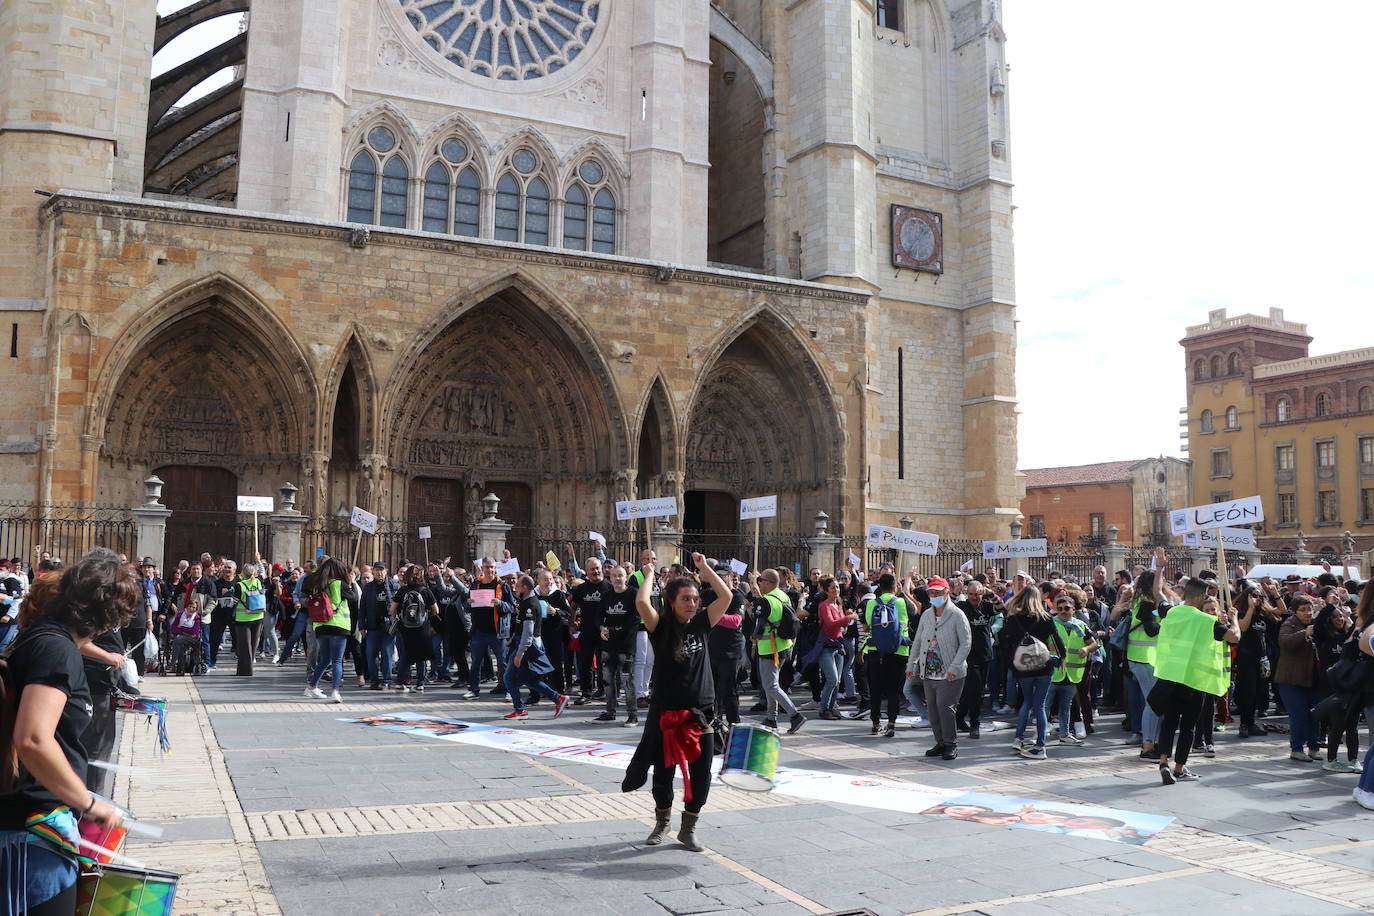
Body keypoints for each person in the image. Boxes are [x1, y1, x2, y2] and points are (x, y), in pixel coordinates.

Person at [0, 549, 130, 915]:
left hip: (27, 822)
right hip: (32, 830)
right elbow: (33, 739)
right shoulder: (56, 650)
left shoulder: (40, 638)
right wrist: (88, 803)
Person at [622, 554, 732, 852]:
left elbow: (727, 595)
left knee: (701, 773)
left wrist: (705, 568)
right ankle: (662, 823)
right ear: (672, 601)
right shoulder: (661, 627)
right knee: (663, 772)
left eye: (695, 598)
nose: (692, 603)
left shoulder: (703, 622)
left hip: (702, 714)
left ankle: (689, 828)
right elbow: (643, 604)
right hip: (668, 712)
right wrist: (647, 573)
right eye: (686, 598)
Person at [1150, 578, 1240, 784]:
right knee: (1188, 726)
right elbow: (1234, 637)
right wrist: (1233, 619)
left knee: (1169, 722)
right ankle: (1180, 768)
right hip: (1194, 680)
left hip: (1171, 677)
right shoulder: (1207, 621)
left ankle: (1164, 762)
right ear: (1200, 596)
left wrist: (1160, 568)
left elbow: (1158, 594)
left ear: (1184, 595)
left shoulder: (1172, 612)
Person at [908, 577, 970, 760]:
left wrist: (955, 666)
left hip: (950, 672)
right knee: (933, 710)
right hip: (929, 671)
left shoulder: (957, 615)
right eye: (931, 592)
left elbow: (966, 643)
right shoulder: (927, 615)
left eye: (938, 592)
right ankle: (940, 742)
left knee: (945, 707)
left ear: (946, 593)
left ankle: (951, 743)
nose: (934, 595)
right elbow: (918, 641)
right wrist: (911, 664)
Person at [1004, 584, 1066, 760]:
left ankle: (1018, 738)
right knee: (1040, 705)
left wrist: (1011, 663)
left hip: (1023, 666)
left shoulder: (1014, 618)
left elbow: (1005, 641)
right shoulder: (1046, 618)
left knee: (1027, 702)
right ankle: (1040, 744)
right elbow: (1058, 641)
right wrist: (1062, 658)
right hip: (1043, 665)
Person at [500, 575, 569, 720]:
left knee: (508, 678)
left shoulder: (530, 604)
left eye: (518, 586)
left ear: (524, 588)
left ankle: (519, 709)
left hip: (527, 647)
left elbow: (528, 632)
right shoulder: (524, 602)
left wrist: (519, 653)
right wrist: (512, 639)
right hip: (520, 643)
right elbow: (520, 626)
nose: (516, 588)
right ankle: (558, 698)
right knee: (528, 679)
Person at [749, 568, 805, 734]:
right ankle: (771, 718)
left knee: (771, 685)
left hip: (769, 648)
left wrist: (754, 640)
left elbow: (758, 619)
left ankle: (795, 715)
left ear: (768, 582)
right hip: (783, 646)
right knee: (770, 684)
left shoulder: (767, 601)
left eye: (761, 580)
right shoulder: (782, 596)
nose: (759, 583)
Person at [1275, 595, 1325, 762]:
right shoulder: (1289, 624)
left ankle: (1314, 747)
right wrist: (1304, 633)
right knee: (1299, 715)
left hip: (1312, 679)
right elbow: (1285, 642)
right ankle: (1296, 748)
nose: (1307, 613)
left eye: (1309, 609)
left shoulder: (1316, 624)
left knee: (1314, 714)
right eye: (1303, 610)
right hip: (1291, 680)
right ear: (1295, 612)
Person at [861, 573, 912, 737]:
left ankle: (876, 723)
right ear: (894, 586)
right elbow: (908, 619)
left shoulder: (871, 603)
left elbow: (868, 626)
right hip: (898, 650)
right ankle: (891, 723)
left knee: (875, 688)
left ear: (879, 587)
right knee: (893, 689)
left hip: (875, 650)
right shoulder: (900, 602)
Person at [1047, 592, 1097, 746]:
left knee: (1067, 705)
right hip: (1054, 672)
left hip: (1073, 672)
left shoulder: (1080, 626)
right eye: (1060, 608)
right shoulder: (1051, 624)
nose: (1063, 611)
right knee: (1046, 705)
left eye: (1066, 608)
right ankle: (1041, 732)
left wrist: (1087, 649)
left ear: (1073, 610)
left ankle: (1067, 731)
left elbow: (1094, 643)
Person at [303, 557, 352, 703]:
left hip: (321, 626)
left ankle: (311, 687)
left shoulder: (318, 585)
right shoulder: (340, 584)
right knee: (336, 660)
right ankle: (335, 691)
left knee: (324, 659)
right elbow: (354, 598)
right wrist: (351, 583)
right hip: (338, 625)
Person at [594, 565, 639, 725]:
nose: (617, 579)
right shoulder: (606, 596)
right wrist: (602, 629)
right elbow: (598, 616)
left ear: (626, 576)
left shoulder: (633, 594)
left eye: (620, 575)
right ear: (610, 578)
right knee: (607, 679)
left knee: (627, 680)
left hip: (626, 646)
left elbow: (634, 619)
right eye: (614, 576)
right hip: (608, 645)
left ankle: (632, 714)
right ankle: (610, 711)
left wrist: (612, 630)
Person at [464, 558, 512, 700]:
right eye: (486, 567)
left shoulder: (502, 585)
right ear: (482, 568)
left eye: (492, 567)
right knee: (476, 662)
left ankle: (509, 689)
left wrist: (500, 603)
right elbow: (467, 608)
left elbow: (512, 607)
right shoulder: (476, 584)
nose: (489, 570)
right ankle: (473, 689)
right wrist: (469, 603)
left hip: (497, 631)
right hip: (479, 631)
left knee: (502, 662)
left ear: (495, 568)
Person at [955, 580, 996, 738]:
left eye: (977, 594)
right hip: (968, 654)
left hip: (985, 653)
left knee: (973, 691)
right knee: (975, 690)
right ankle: (975, 723)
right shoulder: (963, 606)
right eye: (971, 594)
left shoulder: (986, 605)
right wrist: (956, 592)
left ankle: (958, 718)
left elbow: (1000, 608)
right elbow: (948, 608)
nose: (974, 598)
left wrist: (991, 593)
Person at [392, 565, 438, 692]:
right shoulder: (425, 591)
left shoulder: (402, 591)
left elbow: (392, 609)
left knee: (405, 655)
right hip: (422, 627)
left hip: (405, 627)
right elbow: (436, 610)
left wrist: (399, 616)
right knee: (421, 656)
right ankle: (420, 683)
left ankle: (400, 683)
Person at [568, 555, 608, 704]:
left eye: (597, 568)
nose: (596, 571)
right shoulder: (582, 588)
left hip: (604, 633)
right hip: (587, 631)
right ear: (587, 571)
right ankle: (586, 693)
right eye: (592, 569)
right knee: (585, 664)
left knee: (604, 663)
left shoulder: (608, 586)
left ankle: (603, 691)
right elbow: (573, 607)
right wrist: (571, 624)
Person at [816, 576, 855, 720]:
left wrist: (847, 618)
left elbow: (842, 626)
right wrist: (848, 618)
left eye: (837, 587)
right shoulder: (824, 606)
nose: (836, 590)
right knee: (832, 679)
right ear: (826, 591)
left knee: (837, 681)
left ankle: (831, 707)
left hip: (838, 645)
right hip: (825, 646)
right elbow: (831, 623)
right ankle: (824, 708)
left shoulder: (838, 605)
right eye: (832, 587)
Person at [358, 561, 398, 690]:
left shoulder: (393, 585)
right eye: (377, 570)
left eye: (382, 570)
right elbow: (362, 608)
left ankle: (387, 680)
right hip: (372, 626)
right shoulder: (368, 587)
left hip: (389, 627)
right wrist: (362, 626)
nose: (379, 572)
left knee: (387, 654)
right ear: (373, 571)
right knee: (371, 655)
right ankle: (374, 680)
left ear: (386, 571)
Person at [233, 559, 266, 677]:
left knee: (244, 646)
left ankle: (245, 671)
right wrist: (259, 561)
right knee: (253, 644)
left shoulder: (239, 585)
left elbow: (234, 602)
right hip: (258, 616)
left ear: (243, 572)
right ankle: (248, 668)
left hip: (243, 618)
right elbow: (263, 573)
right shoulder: (258, 582)